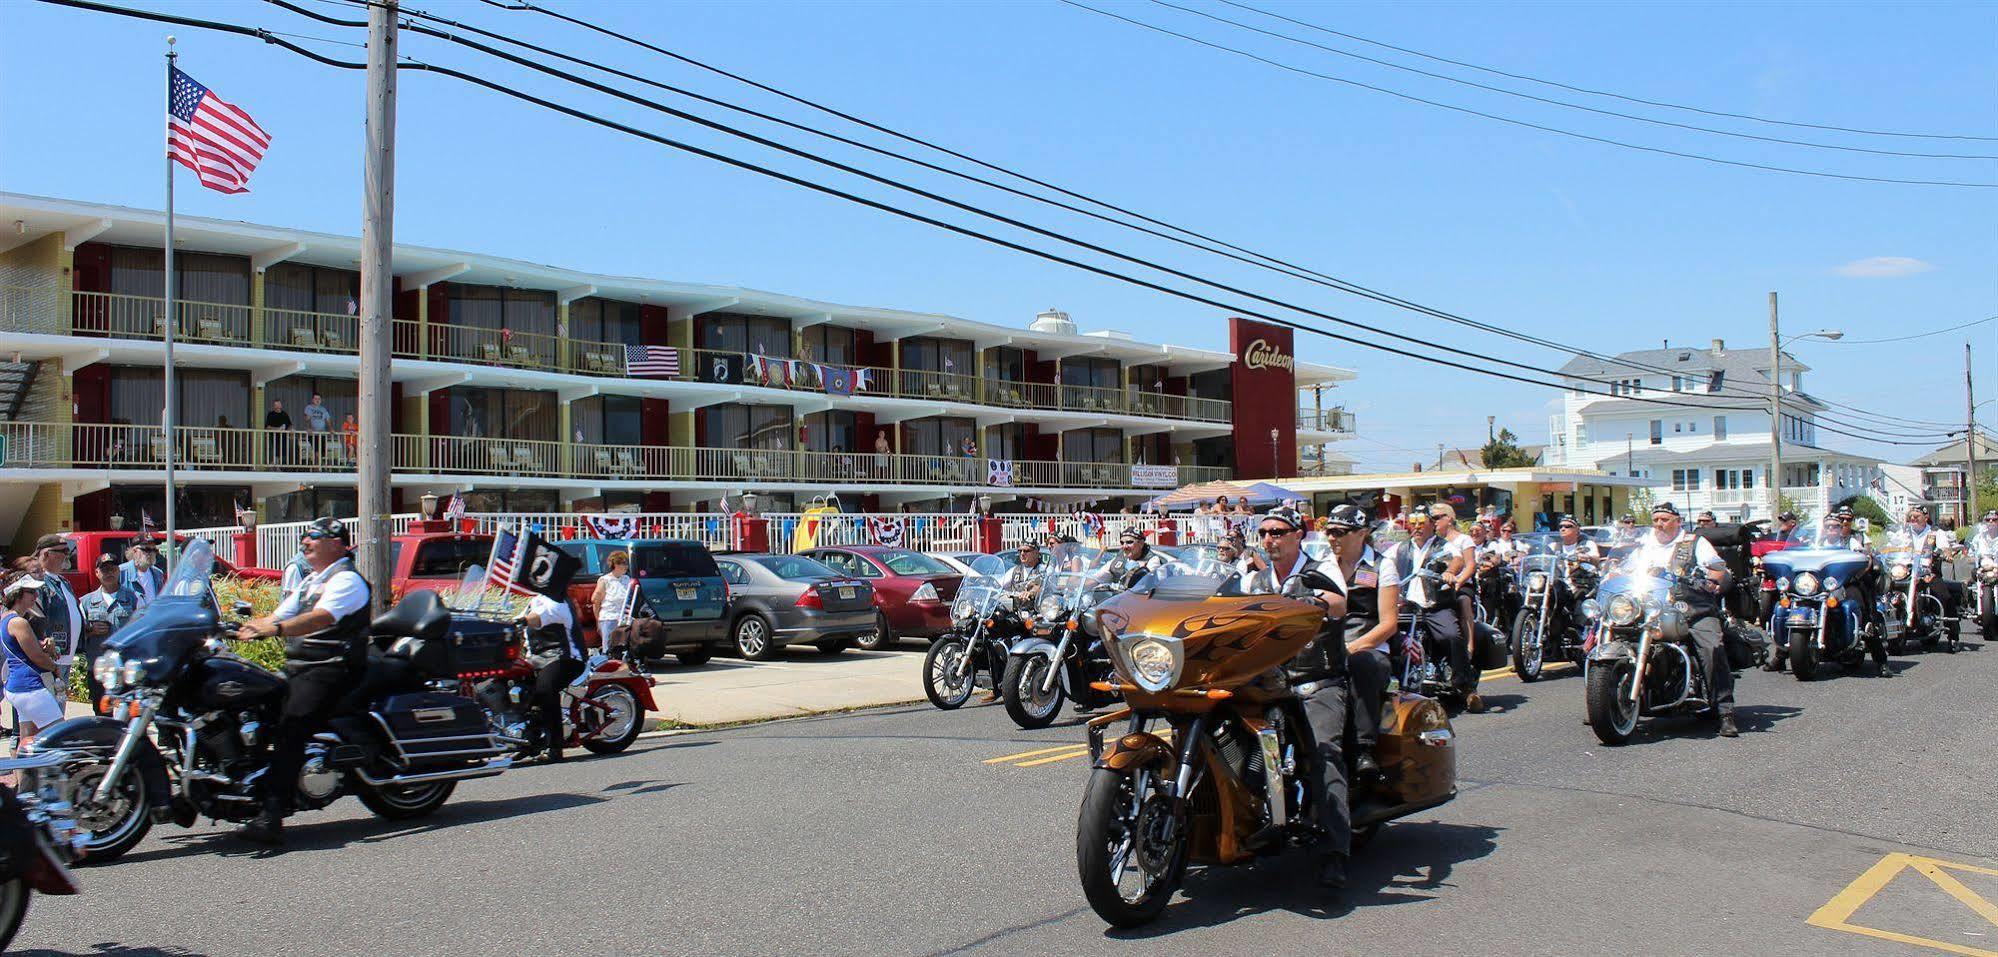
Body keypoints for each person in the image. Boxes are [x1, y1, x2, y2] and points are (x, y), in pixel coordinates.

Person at [231, 517, 371, 844]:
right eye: (305, 537)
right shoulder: (312, 581)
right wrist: (243, 627)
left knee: (291, 725)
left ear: (336, 543)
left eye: (313, 537)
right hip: (303, 666)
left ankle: (272, 814)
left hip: (333, 667)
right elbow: (280, 614)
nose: (305, 542)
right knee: (255, 705)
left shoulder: (346, 580)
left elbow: (320, 618)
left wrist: (276, 629)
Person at [1241, 506, 1353, 889]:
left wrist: (1317, 603)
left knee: (1323, 751)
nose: (1269, 538)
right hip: (1264, 682)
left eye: (1278, 531)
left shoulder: (1319, 568)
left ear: (1297, 534)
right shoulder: (1254, 579)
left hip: (1314, 679)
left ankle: (1334, 851)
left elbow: (1339, 602)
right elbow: (1217, 603)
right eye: (1264, 532)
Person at [1624, 503, 1737, 737]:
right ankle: (1605, 699)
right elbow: (1626, 569)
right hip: (1649, 609)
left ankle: (1725, 710)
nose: (1659, 524)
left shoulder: (1694, 542)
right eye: (1655, 519)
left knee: (1711, 647)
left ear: (1677, 520)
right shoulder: (1645, 545)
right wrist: (1612, 573)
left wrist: (1713, 581)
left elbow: (1717, 569)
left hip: (1691, 608)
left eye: (1664, 519)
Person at [1394, 512, 1472, 697]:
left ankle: (1464, 685)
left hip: (1435, 604)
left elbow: (1457, 559)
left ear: (1431, 524)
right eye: (1413, 522)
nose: (1417, 526)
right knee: (1388, 636)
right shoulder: (1400, 548)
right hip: (1407, 605)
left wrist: (1450, 572)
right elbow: (1382, 561)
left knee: (1451, 636)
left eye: (1421, 522)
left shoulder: (1443, 545)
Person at [0, 573, 62, 755]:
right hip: (30, 687)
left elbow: (25, 651)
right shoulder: (18, 622)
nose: (36, 597)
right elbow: (36, 657)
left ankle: (25, 783)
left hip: (18, 687)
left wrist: (42, 646)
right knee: (62, 735)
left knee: (26, 742)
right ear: (18, 594)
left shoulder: (7, 618)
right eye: (31, 592)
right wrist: (54, 666)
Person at [521, 590, 584, 763]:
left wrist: (521, 620)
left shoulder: (557, 600)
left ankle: (554, 746)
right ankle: (527, 739)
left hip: (563, 656)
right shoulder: (534, 601)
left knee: (545, 689)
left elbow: (541, 617)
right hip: (536, 658)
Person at [1429, 505, 1481, 690]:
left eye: (1436, 517)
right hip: (1434, 587)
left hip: (1460, 584)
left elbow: (1470, 565)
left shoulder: (1463, 539)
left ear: (1449, 518)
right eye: (1431, 518)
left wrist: (1458, 581)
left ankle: (1468, 646)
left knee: (1463, 601)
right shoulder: (1433, 541)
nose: (1433, 521)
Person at [1894, 505, 1961, 643]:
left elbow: (1945, 549)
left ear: (1926, 517)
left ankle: (1953, 632)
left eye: (1916, 517)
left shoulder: (1936, 533)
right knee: (1887, 592)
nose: (1913, 519)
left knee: (1945, 596)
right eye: (1910, 517)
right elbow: (1892, 545)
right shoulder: (1903, 532)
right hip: (1905, 572)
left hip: (1928, 573)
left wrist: (1946, 554)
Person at [78, 554, 138, 707]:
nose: (109, 573)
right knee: (101, 712)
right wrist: (90, 631)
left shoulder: (133, 599)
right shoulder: (86, 602)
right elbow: (77, 636)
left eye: (112, 569)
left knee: (128, 712)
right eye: (104, 570)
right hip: (99, 667)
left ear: (119, 571)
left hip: (125, 665)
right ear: (97, 573)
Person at [30, 534, 82, 699]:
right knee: (48, 715)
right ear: (46, 554)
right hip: (49, 659)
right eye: (63, 551)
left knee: (58, 709)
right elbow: (33, 619)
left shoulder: (63, 582)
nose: (68, 555)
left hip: (64, 658)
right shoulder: (39, 583)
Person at [590, 550, 635, 657]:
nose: (626, 566)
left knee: (624, 648)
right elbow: (595, 601)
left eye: (626, 563)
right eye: (623, 563)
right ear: (615, 565)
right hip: (609, 618)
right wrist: (598, 622)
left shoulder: (626, 579)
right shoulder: (605, 580)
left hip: (623, 619)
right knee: (609, 648)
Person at [120, 540, 166, 611]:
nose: (151, 553)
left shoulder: (158, 573)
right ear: (135, 551)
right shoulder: (121, 572)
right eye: (147, 550)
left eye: (154, 550)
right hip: (131, 619)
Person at [265, 398, 293, 465]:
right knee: (274, 453)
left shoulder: (285, 414)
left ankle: (279, 467)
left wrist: (290, 431)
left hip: (283, 438)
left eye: (279, 404)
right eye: (276, 405)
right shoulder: (271, 414)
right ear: (274, 406)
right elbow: (268, 427)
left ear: (281, 405)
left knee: (283, 454)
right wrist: (278, 429)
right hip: (273, 438)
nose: (277, 406)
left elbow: (290, 425)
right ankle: (273, 466)